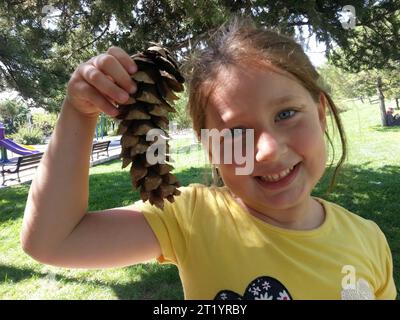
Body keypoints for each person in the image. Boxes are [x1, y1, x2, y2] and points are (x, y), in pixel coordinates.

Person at [21, 17, 396, 300]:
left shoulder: (369, 241)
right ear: (211, 147)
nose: (267, 151)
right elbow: (52, 242)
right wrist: (79, 112)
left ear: (320, 113)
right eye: (236, 134)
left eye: (286, 114)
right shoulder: (192, 219)